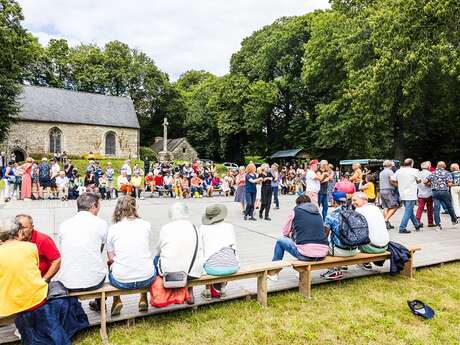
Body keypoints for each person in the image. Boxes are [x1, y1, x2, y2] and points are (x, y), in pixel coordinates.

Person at [0, 218, 89, 343]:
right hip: (35, 299)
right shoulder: (30, 247)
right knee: (63, 296)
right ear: (19, 233)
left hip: (8, 304)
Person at [57, 193, 108, 312]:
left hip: (68, 282)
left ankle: (74, 307)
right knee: (98, 266)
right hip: (94, 281)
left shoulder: (65, 224)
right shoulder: (101, 223)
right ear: (93, 206)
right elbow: (99, 250)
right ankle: (100, 303)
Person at [107, 196, 155, 315]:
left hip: (121, 280)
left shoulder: (113, 229)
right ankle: (143, 298)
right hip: (146, 278)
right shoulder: (146, 224)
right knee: (143, 258)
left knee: (111, 265)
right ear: (136, 207)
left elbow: (111, 257)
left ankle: (117, 299)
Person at [270, 195, 329, 281]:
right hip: (323, 253)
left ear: (298, 204)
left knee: (280, 241)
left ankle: (273, 272)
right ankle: (301, 271)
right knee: (303, 237)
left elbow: (285, 232)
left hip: (306, 255)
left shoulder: (295, 211)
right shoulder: (317, 213)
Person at [154, 203, 203, 304]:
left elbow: (158, 251)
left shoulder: (165, 228)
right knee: (189, 257)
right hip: (192, 272)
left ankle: (171, 293)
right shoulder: (194, 227)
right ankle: (189, 291)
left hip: (169, 274)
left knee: (155, 259)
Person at [200, 204, 239, 299]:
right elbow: (234, 247)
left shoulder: (203, 228)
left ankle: (208, 290)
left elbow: (201, 250)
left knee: (206, 258)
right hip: (232, 266)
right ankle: (222, 289)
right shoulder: (229, 226)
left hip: (212, 269)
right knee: (225, 255)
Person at [321, 191, 360, 280]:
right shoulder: (353, 213)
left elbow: (324, 236)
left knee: (323, 246)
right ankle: (343, 265)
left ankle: (333, 270)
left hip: (340, 251)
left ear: (333, 201)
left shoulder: (331, 215)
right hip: (354, 249)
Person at [16, 214, 61, 281]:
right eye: (17, 228)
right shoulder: (12, 239)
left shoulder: (43, 239)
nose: (20, 231)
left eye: (24, 228)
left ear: (32, 227)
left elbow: (57, 261)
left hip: (38, 281)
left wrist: (44, 280)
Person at [351, 192, 389, 270]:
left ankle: (363, 262)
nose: (352, 203)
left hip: (372, 248)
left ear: (364, 200)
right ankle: (365, 262)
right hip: (385, 246)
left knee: (350, 234)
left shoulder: (359, 210)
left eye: (355, 200)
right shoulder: (376, 208)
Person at [391, 158, 422, 233]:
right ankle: (402, 227)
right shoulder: (414, 171)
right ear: (411, 164)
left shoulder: (399, 171)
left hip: (402, 193)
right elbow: (419, 180)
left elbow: (392, 179)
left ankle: (416, 224)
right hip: (411, 194)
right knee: (408, 211)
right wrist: (416, 181)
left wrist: (398, 185)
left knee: (409, 210)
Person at [426, 161, 458, 230]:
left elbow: (425, 181)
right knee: (449, 207)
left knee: (436, 209)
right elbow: (449, 184)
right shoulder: (447, 173)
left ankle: (438, 224)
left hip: (435, 192)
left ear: (437, 166)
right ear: (444, 166)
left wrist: (431, 184)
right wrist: (454, 184)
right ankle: (454, 220)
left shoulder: (433, 173)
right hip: (444, 192)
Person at [379, 160, 399, 230]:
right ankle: (385, 220)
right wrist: (397, 185)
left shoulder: (381, 172)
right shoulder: (390, 172)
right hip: (389, 190)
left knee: (386, 207)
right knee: (395, 206)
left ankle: (387, 223)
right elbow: (392, 180)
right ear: (391, 165)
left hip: (382, 190)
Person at [416, 161, 435, 227]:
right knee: (430, 208)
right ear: (428, 167)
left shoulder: (418, 173)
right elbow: (431, 183)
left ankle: (417, 220)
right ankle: (430, 222)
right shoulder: (430, 173)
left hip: (420, 193)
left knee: (420, 208)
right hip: (429, 193)